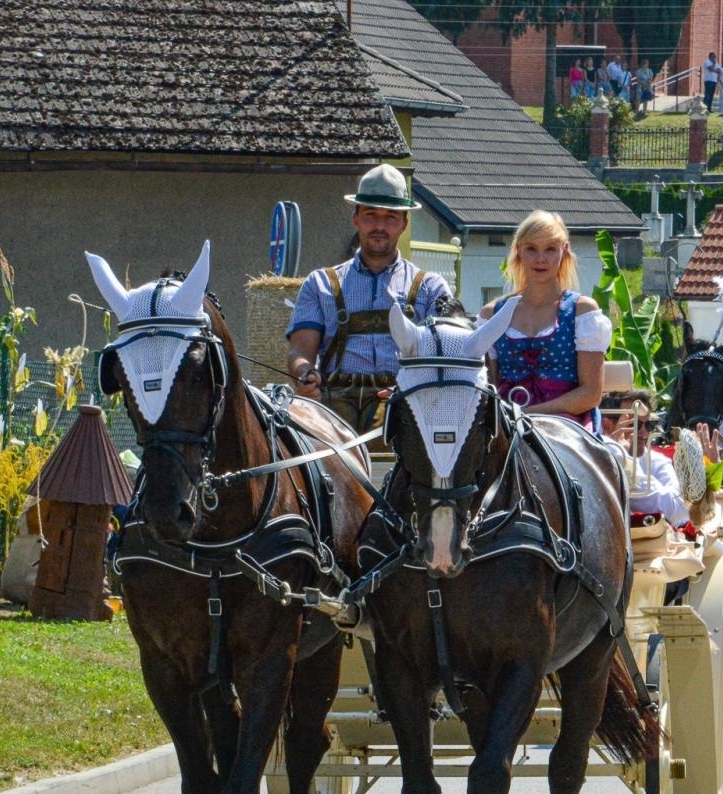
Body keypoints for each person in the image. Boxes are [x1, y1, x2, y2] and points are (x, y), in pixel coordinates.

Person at [286, 164, 452, 433]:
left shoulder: (431, 288)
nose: (379, 226)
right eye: (370, 215)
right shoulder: (320, 284)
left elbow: (443, 355)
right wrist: (304, 374)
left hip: (404, 406)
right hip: (330, 408)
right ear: (356, 218)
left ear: (404, 224)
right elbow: (300, 351)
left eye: (390, 217)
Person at [483, 210, 609, 423]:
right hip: (506, 425)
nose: (540, 259)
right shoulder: (492, 314)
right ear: (518, 251)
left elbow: (590, 393)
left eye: (550, 249)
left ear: (564, 251)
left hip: (568, 423)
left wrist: (528, 413)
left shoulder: (582, 311)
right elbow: (488, 387)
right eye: (531, 249)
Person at [601, 389, 689, 527]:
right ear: (606, 426)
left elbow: (678, 512)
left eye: (649, 425)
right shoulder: (592, 458)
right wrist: (619, 454)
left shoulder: (657, 461)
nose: (644, 433)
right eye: (634, 424)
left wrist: (624, 460)